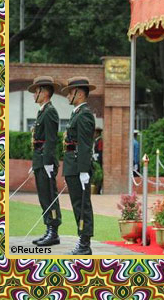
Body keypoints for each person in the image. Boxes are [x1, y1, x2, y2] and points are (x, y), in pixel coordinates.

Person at [61, 76, 96, 255]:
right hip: (72, 166)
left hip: (78, 166)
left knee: (82, 205)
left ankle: (85, 244)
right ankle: (82, 241)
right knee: (77, 204)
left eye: (70, 93)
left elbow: (84, 144)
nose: (67, 96)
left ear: (79, 94)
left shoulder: (84, 115)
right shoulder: (77, 113)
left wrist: (83, 170)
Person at [28, 76, 62, 247]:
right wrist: (35, 162)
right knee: (43, 197)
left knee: (50, 196)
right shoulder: (43, 111)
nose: (34, 94)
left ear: (45, 92)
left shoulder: (50, 111)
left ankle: (53, 231)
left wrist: (48, 162)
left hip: (46, 161)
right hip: (40, 160)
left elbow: (51, 139)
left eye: (36, 91)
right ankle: (49, 228)